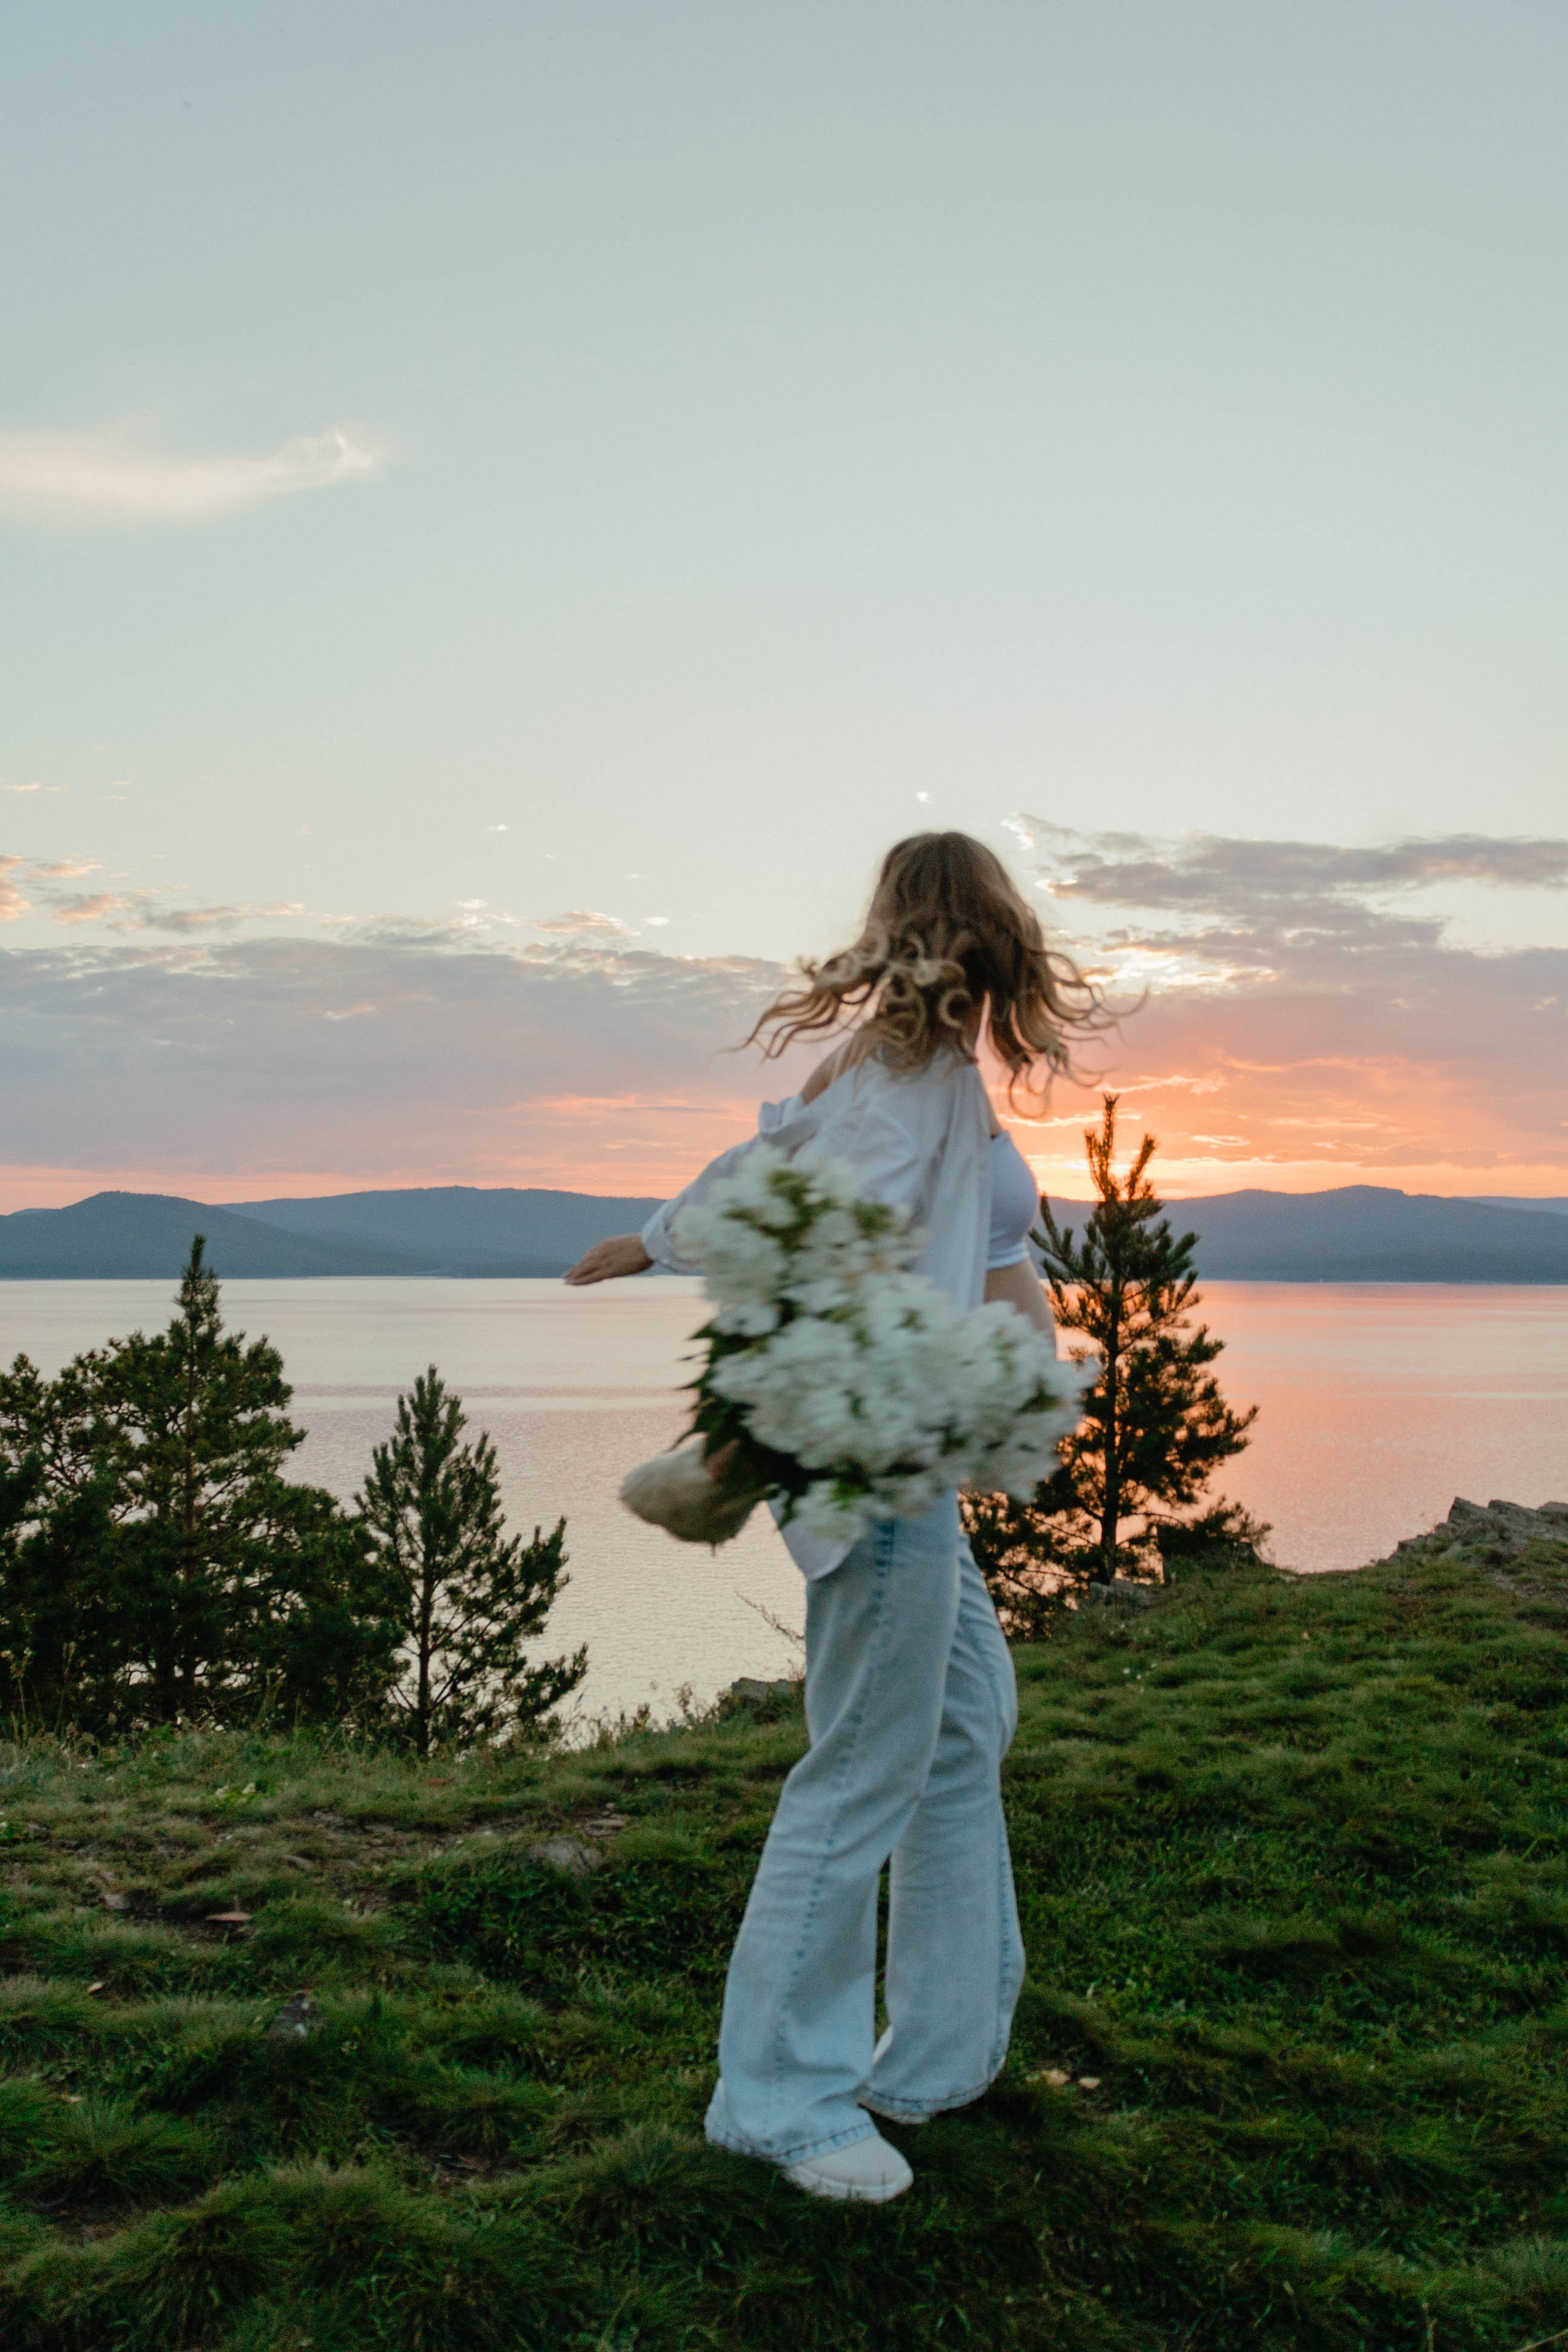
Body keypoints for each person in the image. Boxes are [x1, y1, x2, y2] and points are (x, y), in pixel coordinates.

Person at [565, 831, 1105, 2203]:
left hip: (914, 1455)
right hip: (870, 1457)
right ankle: (779, 2101)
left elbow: (988, 1267)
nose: (970, 952)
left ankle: (934, 2057)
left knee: (962, 1729)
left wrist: (1046, 1386)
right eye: (963, 928)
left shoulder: (946, 1090)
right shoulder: (896, 1082)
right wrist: (665, 1246)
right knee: (864, 1759)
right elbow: (795, 1199)